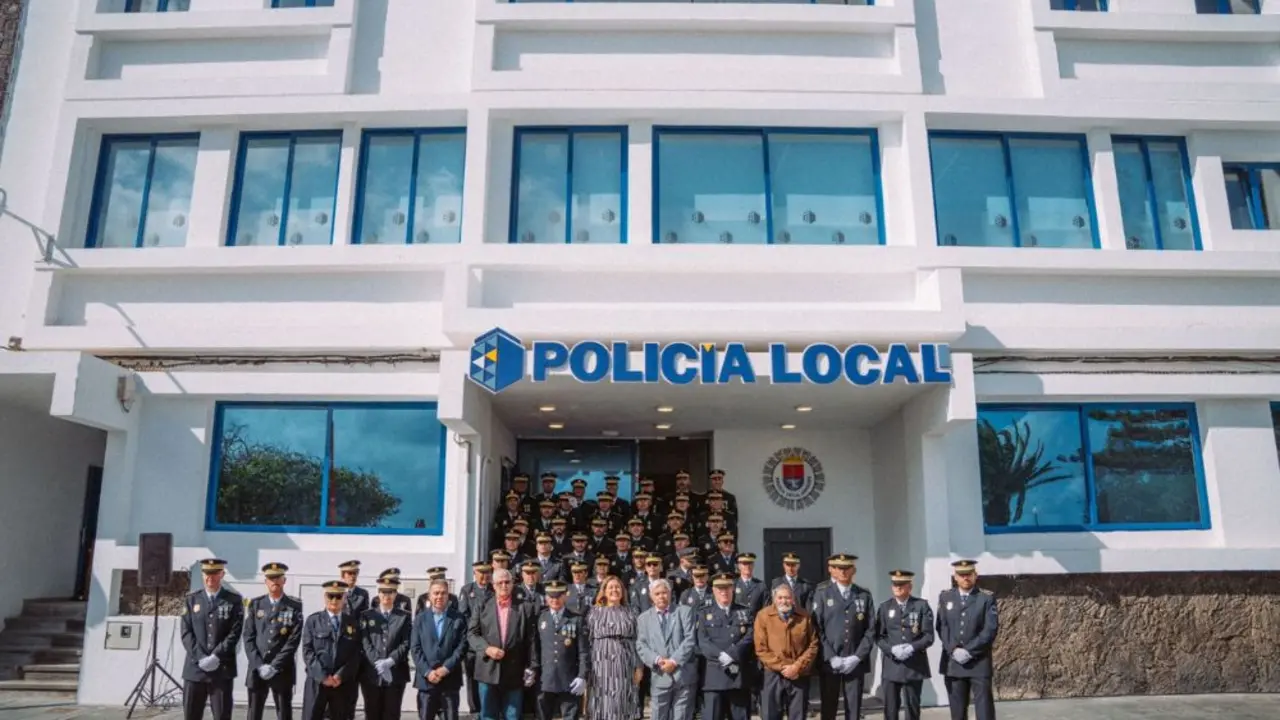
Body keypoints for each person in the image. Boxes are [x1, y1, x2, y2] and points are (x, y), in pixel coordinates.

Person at [468, 568, 538, 720]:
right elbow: (472, 634)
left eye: (507, 582)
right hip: (487, 670)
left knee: (512, 716)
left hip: (514, 671)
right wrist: (487, 648)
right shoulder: (482, 605)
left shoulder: (525, 607)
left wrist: (532, 666)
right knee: (488, 716)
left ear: (513, 584)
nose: (504, 586)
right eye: (500, 583)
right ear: (493, 585)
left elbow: (531, 640)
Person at [812, 553, 874, 720]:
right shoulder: (822, 593)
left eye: (847, 568)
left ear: (854, 570)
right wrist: (831, 657)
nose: (843, 572)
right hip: (830, 661)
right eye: (839, 568)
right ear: (832, 570)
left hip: (855, 661)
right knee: (828, 708)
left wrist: (857, 657)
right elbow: (817, 628)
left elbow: (870, 630)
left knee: (853, 709)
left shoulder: (864, 595)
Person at [181, 558, 244, 720]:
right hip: (195, 669)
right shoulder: (191, 599)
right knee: (191, 715)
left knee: (222, 715)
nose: (210, 577)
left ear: (222, 574)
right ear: (203, 575)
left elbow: (235, 632)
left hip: (222, 669)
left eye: (215, 573)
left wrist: (216, 656)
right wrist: (201, 657)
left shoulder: (234, 600)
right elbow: (186, 633)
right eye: (207, 573)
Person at [937, 560, 998, 720]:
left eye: (969, 574)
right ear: (955, 577)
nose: (965, 578)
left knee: (984, 712)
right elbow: (942, 626)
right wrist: (953, 649)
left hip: (979, 662)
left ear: (975, 575)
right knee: (957, 712)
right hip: (953, 663)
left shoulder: (986, 598)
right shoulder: (945, 597)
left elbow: (990, 629)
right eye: (961, 575)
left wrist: (969, 650)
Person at [245, 562, 303, 720]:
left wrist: (275, 666)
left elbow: (293, 641)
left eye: (278, 577)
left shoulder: (294, 606)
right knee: (253, 713)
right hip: (257, 669)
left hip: (282, 669)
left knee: (284, 713)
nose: (274, 581)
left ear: (284, 580)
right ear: (266, 581)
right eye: (271, 578)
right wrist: (259, 665)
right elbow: (248, 637)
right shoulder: (256, 604)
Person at [875, 570, 934, 720]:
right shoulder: (885, 607)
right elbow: (879, 636)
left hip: (913, 665)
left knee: (912, 707)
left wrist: (912, 647)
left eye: (902, 584)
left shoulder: (921, 606)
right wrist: (891, 649)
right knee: (890, 708)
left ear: (910, 586)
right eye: (895, 584)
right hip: (892, 665)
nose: (898, 587)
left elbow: (928, 636)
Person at [754, 584, 818, 720]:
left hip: (798, 675)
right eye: (780, 598)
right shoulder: (763, 616)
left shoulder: (804, 616)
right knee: (770, 715)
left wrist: (796, 667)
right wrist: (783, 667)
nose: (784, 601)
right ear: (774, 599)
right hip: (772, 675)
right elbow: (761, 648)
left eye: (788, 598)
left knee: (798, 716)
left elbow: (813, 645)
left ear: (793, 599)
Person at [636, 579, 698, 720]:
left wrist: (674, 661)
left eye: (664, 592)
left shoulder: (685, 612)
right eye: (657, 594)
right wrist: (657, 660)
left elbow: (690, 639)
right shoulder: (643, 619)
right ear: (651, 596)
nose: (661, 596)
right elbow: (641, 645)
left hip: (683, 676)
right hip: (660, 675)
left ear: (670, 594)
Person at [697, 573, 755, 720]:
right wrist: (720, 655)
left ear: (733, 588)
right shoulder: (704, 613)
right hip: (713, 678)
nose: (724, 591)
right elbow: (702, 641)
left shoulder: (744, 612)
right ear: (713, 590)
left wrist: (732, 654)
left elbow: (750, 636)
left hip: (738, 677)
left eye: (727, 587)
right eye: (720, 588)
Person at [302, 581, 362, 720]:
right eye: (331, 596)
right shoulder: (313, 621)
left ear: (344, 598)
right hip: (317, 681)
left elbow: (356, 653)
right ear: (325, 597)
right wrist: (323, 676)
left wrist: (340, 675)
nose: (334, 600)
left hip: (341, 683)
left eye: (338, 596)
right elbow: (307, 651)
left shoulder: (352, 622)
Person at [585, 575, 642, 720]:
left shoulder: (631, 612)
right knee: (601, 702)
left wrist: (639, 667)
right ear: (604, 591)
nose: (614, 590)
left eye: (617, 587)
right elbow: (587, 641)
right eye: (610, 587)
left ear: (623, 591)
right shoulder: (593, 612)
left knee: (622, 701)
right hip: (600, 666)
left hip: (625, 664)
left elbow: (638, 641)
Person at [412, 578, 469, 720]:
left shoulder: (458, 618)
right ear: (429, 595)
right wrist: (427, 671)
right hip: (426, 682)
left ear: (448, 595)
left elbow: (462, 646)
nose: (439, 596)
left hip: (450, 680)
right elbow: (415, 648)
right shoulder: (420, 619)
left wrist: (446, 668)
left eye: (443, 593)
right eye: (436, 593)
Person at [534, 581, 589, 720]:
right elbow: (535, 648)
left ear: (565, 596)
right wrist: (532, 669)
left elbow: (583, 651)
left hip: (569, 679)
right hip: (545, 679)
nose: (555, 600)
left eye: (558, 596)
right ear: (546, 597)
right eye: (551, 596)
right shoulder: (540, 618)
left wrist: (582, 675)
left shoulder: (576, 619)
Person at [360, 576, 412, 720]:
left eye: (391, 592)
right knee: (372, 714)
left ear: (396, 594)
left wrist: (390, 661)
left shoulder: (404, 616)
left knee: (392, 714)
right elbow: (365, 642)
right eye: (383, 591)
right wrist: (378, 662)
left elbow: (406, 642)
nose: (386, 595)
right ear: (378, 593)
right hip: (371, 673)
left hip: (396, 673)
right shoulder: (367, 615)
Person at [457, 562, 494, 714]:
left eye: (487, 572)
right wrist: (475, 633)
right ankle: (475, 710)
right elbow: (463, 615)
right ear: (475, 573)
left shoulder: (494, 590)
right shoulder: (467, 590)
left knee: (489, 678)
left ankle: (489, 710)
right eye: (481, 572)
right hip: (472, 644)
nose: (484, 576)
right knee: (472, 678)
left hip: (491, 642)